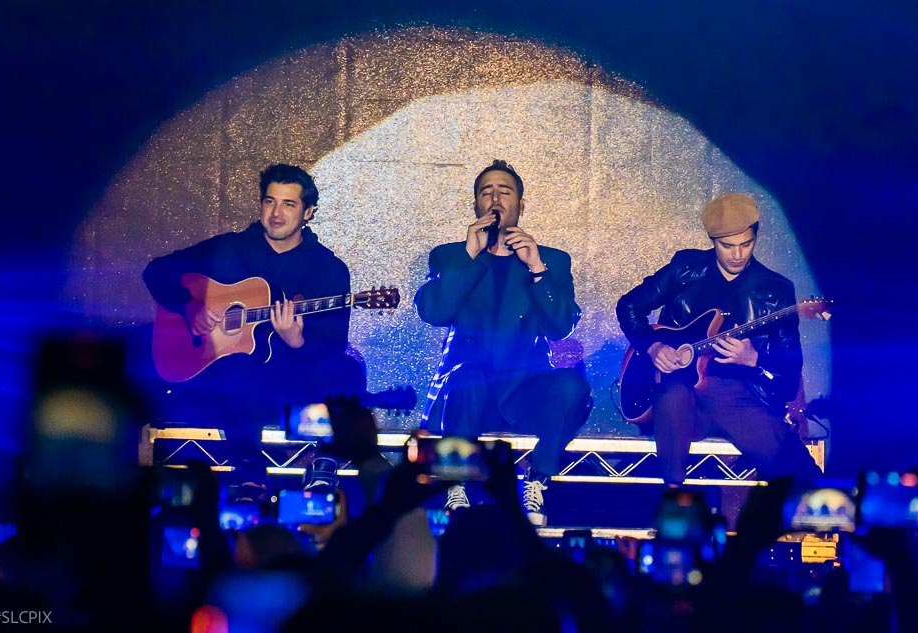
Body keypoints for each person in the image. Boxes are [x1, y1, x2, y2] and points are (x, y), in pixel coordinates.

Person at [142, 163, 365, 471]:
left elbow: (334, 345)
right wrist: (189, 307)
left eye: (289, 204)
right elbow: (156, 271)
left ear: (308, 212)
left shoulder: (329, 269)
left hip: (291, 385)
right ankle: (250, 471)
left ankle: (324, 462)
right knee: (239, 369)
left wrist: (297, 342)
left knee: (348, 370)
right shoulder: (229, 249)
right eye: (270, 201)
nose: (276, 213)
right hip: (231, 383)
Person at [414, 159, 592, 526]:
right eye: (487, 192)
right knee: (467, 375)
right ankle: (456, 485)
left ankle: (538, 480)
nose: (495, 199)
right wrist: (468, 256)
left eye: (505, 192)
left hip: (522, 391)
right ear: (476, 205)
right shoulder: (450, 256)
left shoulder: (551, 260)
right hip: (465, 392)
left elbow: (561, 327)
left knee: (572, 384)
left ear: (520, 205)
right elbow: (433, 311)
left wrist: (537, 269)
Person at [616, 192, 821, 486]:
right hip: (676, 395)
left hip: (734, 397)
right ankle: (675, 498)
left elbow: (789, 374)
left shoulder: (775, 291)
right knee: (673, 393)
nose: (738, 255)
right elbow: (629, 306)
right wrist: (653, 346)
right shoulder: (685, 269)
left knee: (795, 468)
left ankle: (820, 506)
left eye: (746, 244)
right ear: (713, 241)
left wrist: (754, 359)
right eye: (727, 246)